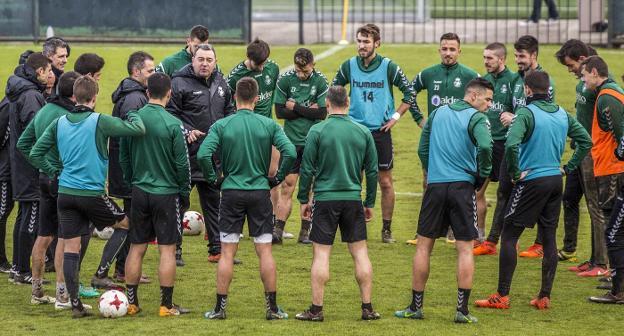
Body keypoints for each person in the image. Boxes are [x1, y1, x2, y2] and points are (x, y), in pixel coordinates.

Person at [28, 75, 146, 318]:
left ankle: (75, 304)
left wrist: (54, 170)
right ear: (94, 97)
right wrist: (133, 113)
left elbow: (35, 152)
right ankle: (102, 272)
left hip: (65, 194)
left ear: (75, 96)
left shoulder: (60, 122)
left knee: (71, 247)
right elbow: (137, 129)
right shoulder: (100, 121)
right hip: (92, 195)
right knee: (127, 226)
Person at [475, 71, 591, 311]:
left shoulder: (525, 113)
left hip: (531, 181)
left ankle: (502, 296)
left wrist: (516, 173)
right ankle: (544, 296)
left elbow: (511, 143)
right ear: (547, 89)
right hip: (554, 181)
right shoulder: (562, 113)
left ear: (527, 90)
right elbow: (586, 141)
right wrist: (568, 167)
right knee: (548, 238)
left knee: (509, 235)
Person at [395, 78, 494, 324]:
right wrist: (482, 174)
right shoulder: (478, 118)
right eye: (488, 99)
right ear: (473, 96)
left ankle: (415, 307)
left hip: (436, 187)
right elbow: (485, 146)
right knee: (464, 249)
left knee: (423, 246)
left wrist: (433, 171)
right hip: (462, 188)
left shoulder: (438, 113)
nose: (490, 105)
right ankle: (462, 311)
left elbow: (422, 149)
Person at [199, 77, 295, 320]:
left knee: (227, 253)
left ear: (234, 98)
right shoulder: (268, 124)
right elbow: (291, 151)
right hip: (260, 193)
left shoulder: (222, 125)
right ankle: (272, 308)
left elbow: (203, 153)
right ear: (256, 98)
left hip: (231, 193)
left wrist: (214, 178)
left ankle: (220, 309)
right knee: (265, 252)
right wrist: (277, 178)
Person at [295, 85, 379, 322]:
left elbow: (307, 168)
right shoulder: (363, 132)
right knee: (360, 253)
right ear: (348, 103)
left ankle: (316, 309)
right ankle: (367, 307)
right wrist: (369, 201)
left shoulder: (317, 130)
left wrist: (303, 199)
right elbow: (372, 171)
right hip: (353, 199)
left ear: (327, 104)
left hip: (325, 199)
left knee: (321, 255)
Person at [332, 23, 420, 244]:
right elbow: (334, 90)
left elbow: (409, 93)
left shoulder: (389, 67)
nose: (361, 46)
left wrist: (395, 117)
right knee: (353, 179)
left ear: (377, 44)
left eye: (366, 42)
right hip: (354, 130)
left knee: (385, 181)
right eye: (359, 41)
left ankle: (386, 229)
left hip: (380, 132)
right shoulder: (349, 65)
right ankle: (353, 227)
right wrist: (341, 115)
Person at [120, 73, 191, 316]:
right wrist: (184, 192)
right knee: (167, 250)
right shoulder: (173, 124)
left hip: (140, 191)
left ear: (147, 92)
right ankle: (166, 305)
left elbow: (124, 157)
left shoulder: (134, 119)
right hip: (166, 193)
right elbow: (182, 164)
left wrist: (131, 181)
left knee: (136, 248)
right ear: (169, 94)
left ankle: (132, 303)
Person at [91, 51, 155, 290]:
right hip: (129, 171)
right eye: (150, 70)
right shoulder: (133, 99)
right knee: (130, 221)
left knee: (131, 220)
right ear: (136, 72)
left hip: (125, 169)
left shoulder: (134, 94)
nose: (154, 74)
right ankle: (117, 270)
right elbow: (133, 134)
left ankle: (121, 269)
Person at [408, 32, 479, 245]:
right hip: (435, 141)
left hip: (460, 141)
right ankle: (425, 231)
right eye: (444, 49)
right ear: (439, 50)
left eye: (452, 49)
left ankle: (453, 230)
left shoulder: (470, 75)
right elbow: (409, 93)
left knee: (459, 184)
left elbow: (482, 100)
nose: (448, 53)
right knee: (428, 181)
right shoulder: (428, 74)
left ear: (459, 51)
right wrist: (420, 119)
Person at [17, 71, 80, 308]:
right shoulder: (69, 117)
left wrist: (44, 168)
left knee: (44, 237)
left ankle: (37, 291)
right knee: (65, 238)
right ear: (75, 94)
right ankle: (62, 296)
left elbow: (23, 144)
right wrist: (55, 169)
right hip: (62, 181)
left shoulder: (44, 110)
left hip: (44, 180)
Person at [167, 44, 235, 263]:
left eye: (209, 60)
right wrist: (186, 130)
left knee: (214, 204)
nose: (205, 64)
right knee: (179, 203)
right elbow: (169, 114)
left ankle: (216, 250)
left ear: (215, 62)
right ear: (193, 60)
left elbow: (229, 112)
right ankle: (175, 251)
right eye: (201, 59)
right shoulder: (178, 82)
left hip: (212, 157)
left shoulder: (221, 82)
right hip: (186, 156)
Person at [555, 40, 609, 277]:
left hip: (593, 153)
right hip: (580, 151)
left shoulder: (598, 85)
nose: (570, 70)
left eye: (571, 65)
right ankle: (590, 257)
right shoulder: (583, 84)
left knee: (597, 207)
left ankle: (603, 263)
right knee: (572, 199)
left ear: (583, 59)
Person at [506, 35, 557, 259]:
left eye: (522, 56)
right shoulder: (515, 80)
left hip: (533, 150)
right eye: (516, 55)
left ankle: (538, 243)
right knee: (504, 192)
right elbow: (511, 107)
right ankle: (500, 239)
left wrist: (516, 120)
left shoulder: (544, 82)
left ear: (534, 56)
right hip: (517, 145)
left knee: (539, 199)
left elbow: (545, 111)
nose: (518, 60)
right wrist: (507, 116)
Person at [226, 38, 282, 235]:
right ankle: (238, 225)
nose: (262, 67)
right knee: (243, 176)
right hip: (244, 133)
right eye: (258, 63)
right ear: (248, 58)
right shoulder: (235, 77)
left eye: (264, 62)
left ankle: (273, 223)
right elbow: (226, 104)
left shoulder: (272, 69)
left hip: (267, 130)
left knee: (273, 175)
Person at [580, 56, 624, 303]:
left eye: (585, 74)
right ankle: (616, 278)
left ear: (595, 72)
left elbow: (621, 132)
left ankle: (617, 287)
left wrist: (618, 156)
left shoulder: (608, 96)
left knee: (614, 229)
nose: (583, 79)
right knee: (614, 228)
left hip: (613, 170)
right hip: (609, 167)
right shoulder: (607, 94)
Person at [273, 48, 328, 244]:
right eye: (298, 70)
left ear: (313, 65)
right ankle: (278, 229)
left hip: (312, 143)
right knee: (287, 185)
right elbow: (279, 112)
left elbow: (321, 113)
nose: (301, 74)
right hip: (291, 143)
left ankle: (305, 232)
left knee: (310, 186)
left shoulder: (320, 81)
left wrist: (295, 107)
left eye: (305, 71)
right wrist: (307, 110)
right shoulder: (286, 79)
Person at [5, 52, 51, 285]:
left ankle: (16, 268)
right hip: (30, 167)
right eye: (49, 71)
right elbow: (36, 133)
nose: (51, 75)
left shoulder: (21, 90)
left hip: (20, 165)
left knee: (23, 215)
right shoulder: (32, 96)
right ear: (39, 71)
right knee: (30, 218)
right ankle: (23, 270)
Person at [472, 43, 516, 255]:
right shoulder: (483, 82)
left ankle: (508, 239)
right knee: (478, 191)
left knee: (506, 193)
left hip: (505, 144)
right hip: (485, 142)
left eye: (490, 58)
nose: (486, 61)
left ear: (502, 59)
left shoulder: (514, 81)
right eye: (484, 57)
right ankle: (480, 237)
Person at [0, 50, 32, 274]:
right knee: (3, 211)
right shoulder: (10, 102)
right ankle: (2, 260)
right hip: (6, 170)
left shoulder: (21, 96)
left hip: (14, 168)